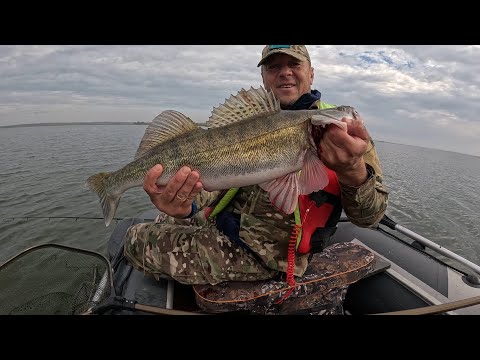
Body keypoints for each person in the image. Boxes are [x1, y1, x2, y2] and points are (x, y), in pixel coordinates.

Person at [123, 45, 389, 311]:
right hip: (226, 224)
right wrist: (185, 204)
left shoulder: (342, 135)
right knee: (164, 217)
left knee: (135, 238)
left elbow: (370, 217)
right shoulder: (247, 120)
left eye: (294, 65)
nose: (285, 72)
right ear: (263, 77)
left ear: (311, 74)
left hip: (263, 255)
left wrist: (352, 169)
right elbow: (214, 181)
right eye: (274, 67)